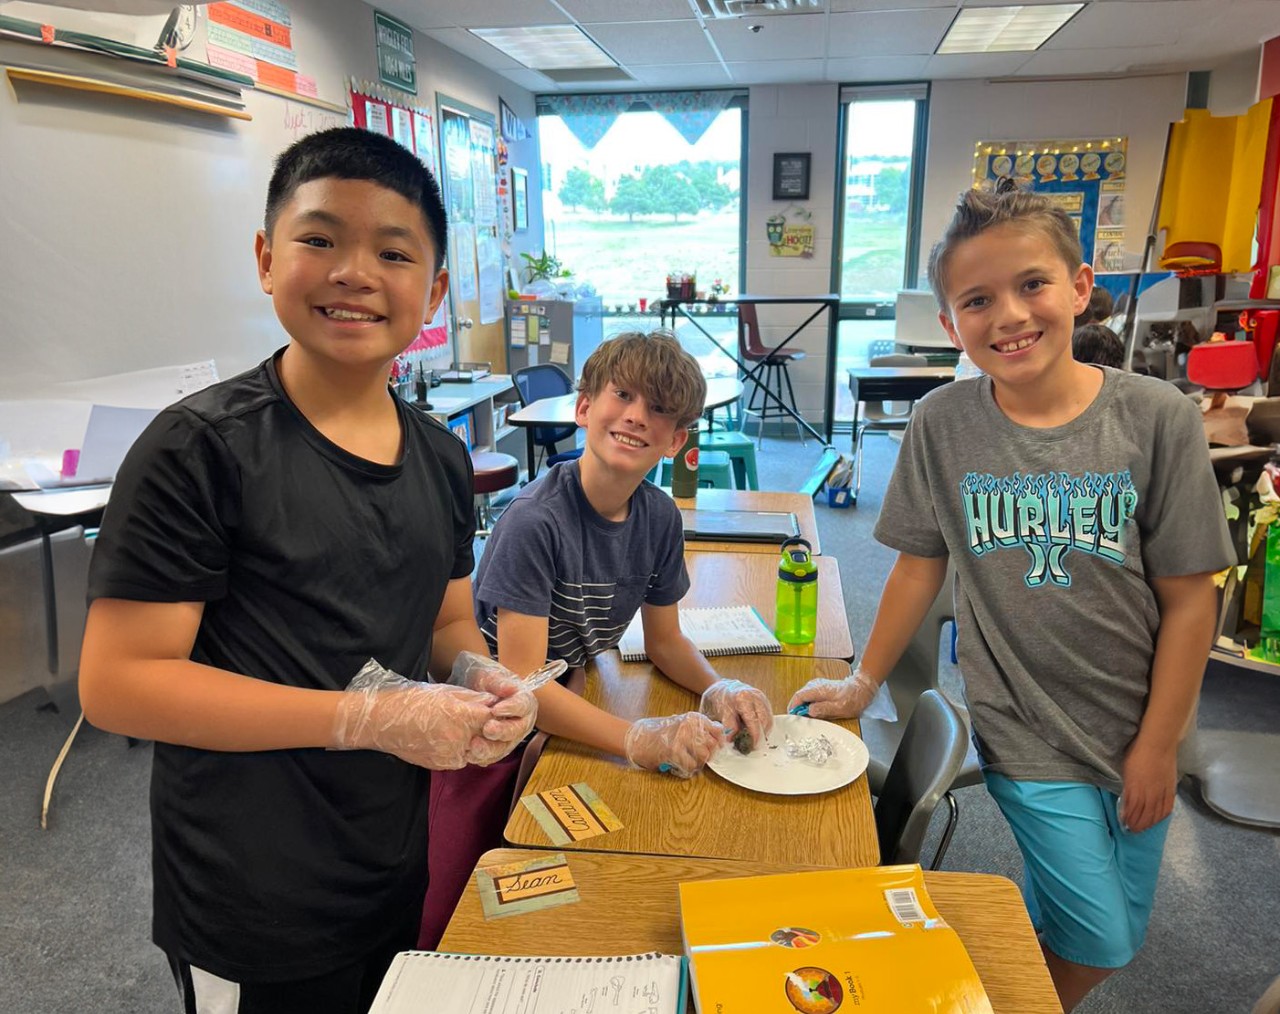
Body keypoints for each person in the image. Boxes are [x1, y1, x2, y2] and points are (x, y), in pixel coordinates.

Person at [78, 127, 537, 1014]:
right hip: (253, 891)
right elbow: (118, 685)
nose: (355, 273)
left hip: (390, 856)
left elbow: (443, 627)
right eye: (320, 239)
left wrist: (484, 676)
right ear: (265, 257)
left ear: (433, 288)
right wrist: (364, 717)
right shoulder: (200, 450)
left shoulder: (442, 458)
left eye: (393, 252)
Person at [790, 182, 1233, 1012]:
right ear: (951, 324)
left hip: (1139, 724)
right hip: (1026, 727)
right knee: (1101, 937)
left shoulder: (1157, 418)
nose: (1009, 315)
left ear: (1079, 285)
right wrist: (861, 682)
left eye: (1032, 284)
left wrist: (1157, 747)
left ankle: (967, 982)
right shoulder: (943, 423)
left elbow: (1190, 602)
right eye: (976, 300)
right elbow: (918, 566)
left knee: (1101, 929)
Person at [419, 330, 774, 947]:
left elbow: (665, 642)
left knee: (579, 880)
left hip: (565, 699)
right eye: (623, 395)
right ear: (585, 407)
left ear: (676, 439)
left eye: (660, 410)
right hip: (484, 723)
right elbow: (520, 687)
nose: (638, 416)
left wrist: (721, 686)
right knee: (462, 896)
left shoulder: (659, 517)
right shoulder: (535, 523)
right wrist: (636, 738)